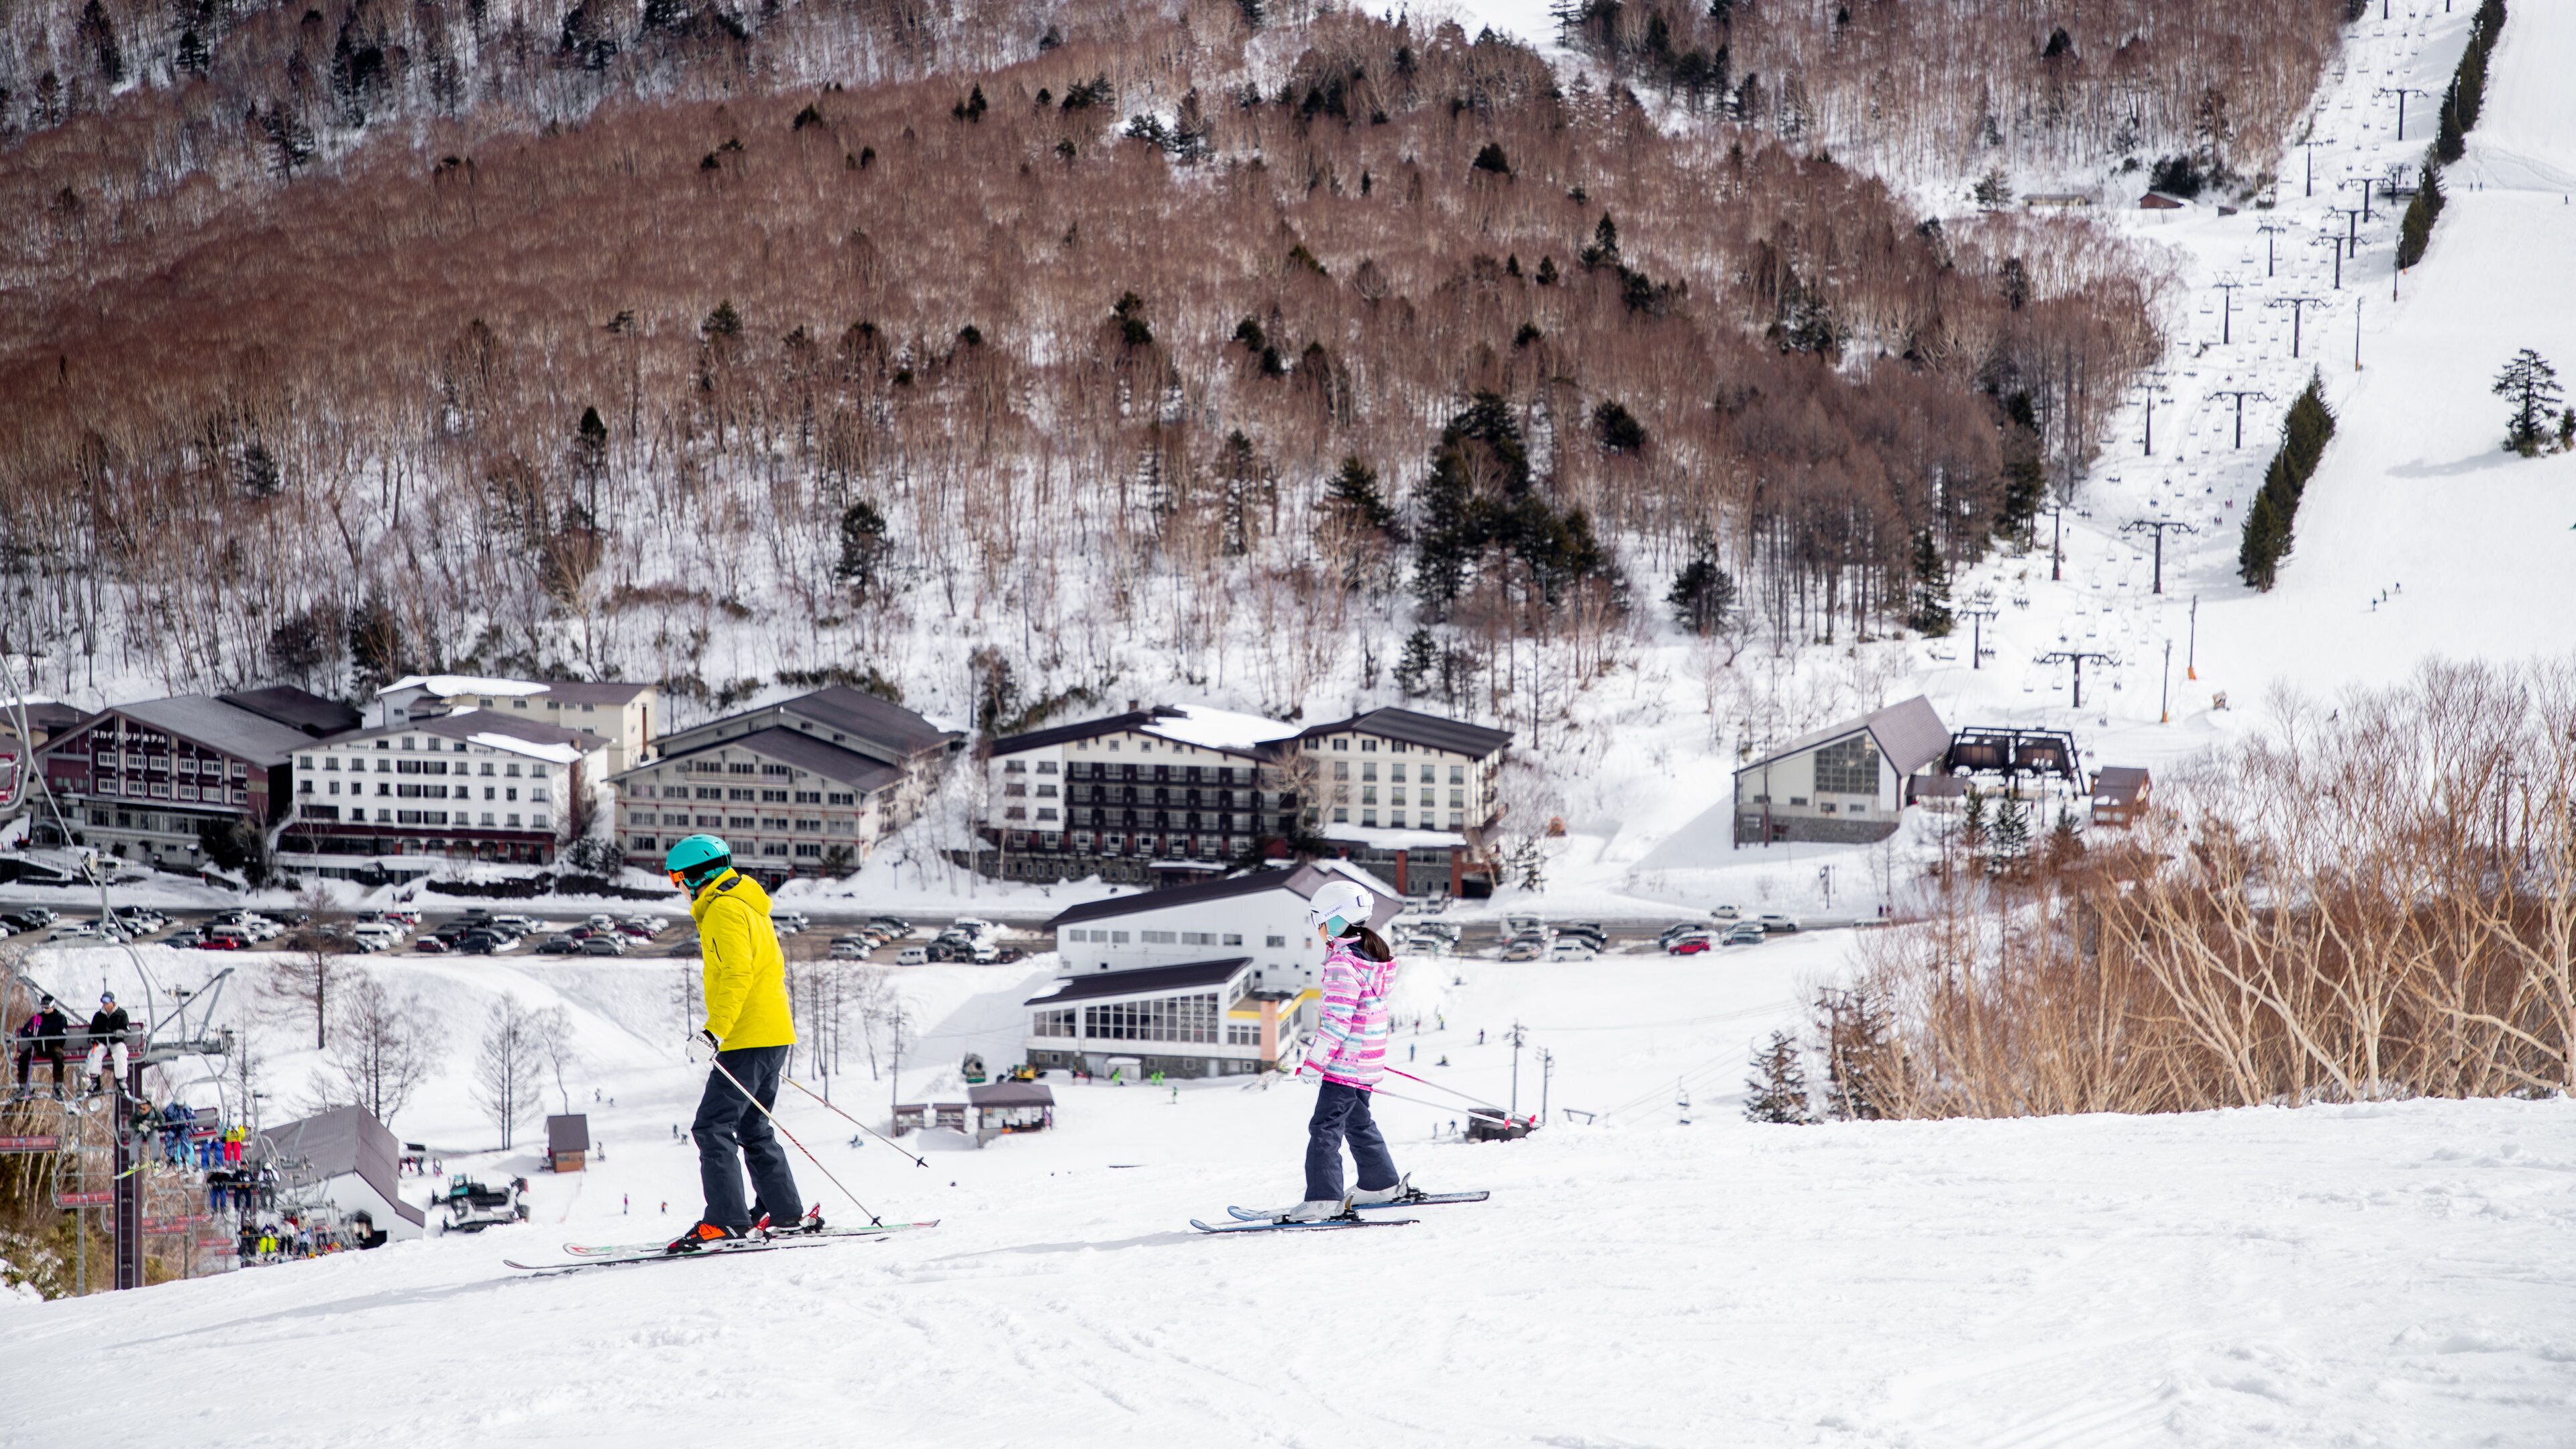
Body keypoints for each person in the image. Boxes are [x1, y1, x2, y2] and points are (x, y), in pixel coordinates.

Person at [662, 835, 814, 1254]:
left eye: (677, 879)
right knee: (752, 1126)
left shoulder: (723, 911)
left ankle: (726, 1222)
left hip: (747, 1036)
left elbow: (737, 976)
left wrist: (715, 1031)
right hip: (773, 1033)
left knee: (712, 1126)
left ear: (696, 876)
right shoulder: (748, 903)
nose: (677, 887)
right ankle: (784, 1214)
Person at [1281, 879, 1411, 1222]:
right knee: (1358, 1121)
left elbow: (1336, 1023)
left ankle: (1323, 1199)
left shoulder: (1342, 964)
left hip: (1345, 1066)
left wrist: (1314, 1063)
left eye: (1318, 921)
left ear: (1335, 921)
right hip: (1365, 1062)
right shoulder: (1370, 957)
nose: (1318, 929)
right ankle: (1379, 1183)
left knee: (1324, 1128)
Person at [13, 995, 70, 1095]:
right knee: (23, 1058)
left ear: (52, 1006)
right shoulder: (37, 1018)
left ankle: (58, 1087)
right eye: (43, 1007)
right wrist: (33, 1037)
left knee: (58, 1056)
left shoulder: (60, 1018)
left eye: (47, 1007)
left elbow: (62, 1036)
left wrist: (48, 1037)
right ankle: (23, 1087)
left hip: (53, 1046)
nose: (44, 1010)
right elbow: (25, 1032)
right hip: (39, 1046)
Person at [84, 991, 131, 1093]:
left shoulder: (121, 1014)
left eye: (107, 1002)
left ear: (112, 1002)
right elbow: (92, 1031)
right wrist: (93, 1040)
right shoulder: (98, 1015)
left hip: (116, 1041)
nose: (105, 1005)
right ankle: (95, 1081)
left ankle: (121, 1080)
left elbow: (126, 1029)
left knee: (121, 1053)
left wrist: (122, 1032)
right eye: (103, 1002)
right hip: (103, 1042)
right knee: (94, 1053)